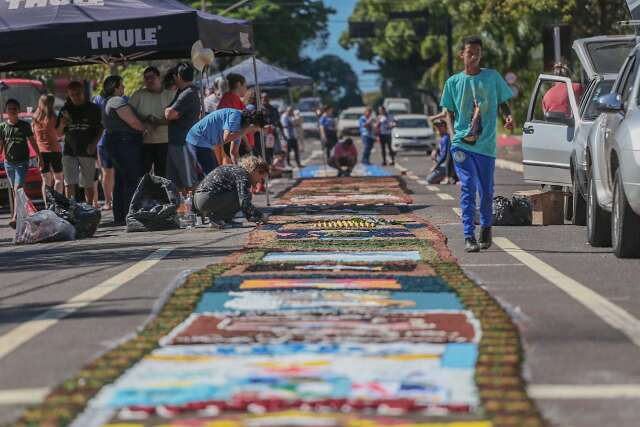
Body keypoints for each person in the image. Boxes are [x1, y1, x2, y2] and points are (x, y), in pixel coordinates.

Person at [440, 36, 514, 253]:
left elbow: (502, 102)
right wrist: (454, 135)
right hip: (461, 145)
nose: (473, 57)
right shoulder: (453, 82)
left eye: (477, 53)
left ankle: (486, 228)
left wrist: (507, 117)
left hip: (486, 145)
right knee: (468, 187)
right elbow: (449, 113)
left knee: (486, 190)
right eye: (469, 53)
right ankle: (468, 235)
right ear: (461, 55)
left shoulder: (492, 77)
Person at [101, 75, 148, 225]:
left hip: (116, 142)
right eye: (121, 86)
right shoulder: (116, 101)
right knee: (130, 179)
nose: (124, 88)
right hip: (124, 142)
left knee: (121, 180)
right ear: (115, 87)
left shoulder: (105, 101)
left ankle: (120, 216)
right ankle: (130, 214)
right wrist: (144, 129)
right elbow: (132, 120)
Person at [57, 81, 103, 204]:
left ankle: (88, 208)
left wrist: (94, 144)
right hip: (69, 150)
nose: (75, 97)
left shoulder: (93, 109)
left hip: (87, 150)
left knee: (88, 183)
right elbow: (58, 134)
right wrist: (62, 125)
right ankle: (71, 209)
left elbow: (101, 128)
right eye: (72, 95)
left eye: (78, 94)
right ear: (68, 95)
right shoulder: (65, 109)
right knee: (69, 182)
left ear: (83, 92)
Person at [193, 155, 268, 229]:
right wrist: (260, 215)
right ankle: (216, 219)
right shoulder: (243, 175)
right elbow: (244, 202)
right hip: (206, 199)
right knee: (244, 195)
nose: (259, 181)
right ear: (255, 171)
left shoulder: (237, 170)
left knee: (244, 194)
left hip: (199, 198)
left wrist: (251, 216)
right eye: (261, 178)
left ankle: (226, 220)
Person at [0, 99, 40, 228]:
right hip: (8, 163)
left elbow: (32, 141)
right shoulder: (2, 127)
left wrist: (39, 155)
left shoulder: (24, 125)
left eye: (14, 108)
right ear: (5, 111)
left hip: (22, 162)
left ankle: (15, 216)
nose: (12, 111)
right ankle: (25, 213)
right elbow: (1, 145)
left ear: (18, 110)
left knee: (18, 189)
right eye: (9, 108)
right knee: (16, 190)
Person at [130, 67, 174, 178]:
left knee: (163, 175)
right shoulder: (138, 95)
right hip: (144, 142)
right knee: (143, 176)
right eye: (146, 78)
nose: (149, 80)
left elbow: (176, 118)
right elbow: (129, 115)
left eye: (151, 77)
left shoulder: (170, 95)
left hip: (165, 141)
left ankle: (163, 195)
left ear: (158, 77)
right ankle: (145, 195)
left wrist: (157, 122)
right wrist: (145, 119)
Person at [187, 108, 266, 170]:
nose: (253, 133)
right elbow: (226, 138)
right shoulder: (236, 116)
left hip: (204, 143)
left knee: (214, 172)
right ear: (251, 125)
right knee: (212, 176)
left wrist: (240, 171)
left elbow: (234, 153)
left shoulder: (240, 128)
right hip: (197, 139)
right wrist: (245, 131)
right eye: (254, 130)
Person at [164, 62, 200, 192]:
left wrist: (168, 111)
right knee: (175, 182)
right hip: (176, 142)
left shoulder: (188, 93)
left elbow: (169, 114)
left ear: (178, 76)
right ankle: (182, 210)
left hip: (183, 143)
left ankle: (197, 209)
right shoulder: (182, 92)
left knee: (189, 181)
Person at [32, 94, 64, 197]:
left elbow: (33, 135)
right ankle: (58, 203)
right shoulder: (53, 117)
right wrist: (63, 125)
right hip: (55, 150)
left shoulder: (35, 118)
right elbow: (59, 135)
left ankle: (47, 205)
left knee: (46, 180)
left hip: (41, 152)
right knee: (58, 178)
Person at [217, 73, 250, 165]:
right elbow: (237, 125)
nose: (246, 89)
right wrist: (247, 144)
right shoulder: (232, 99)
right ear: (239, 84)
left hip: (235, 142)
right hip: (237, 144)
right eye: (245, 85)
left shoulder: (228, 98)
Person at [92, 94, 114, 210]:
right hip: (103, 141)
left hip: (104, 141)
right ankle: (108, 201)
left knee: (106, 173)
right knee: (106, 172)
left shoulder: (98, 99)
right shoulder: (99, 99)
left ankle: (109, 201)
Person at [427, 120, 451, 184]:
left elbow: (444, 156)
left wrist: (435, 166)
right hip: (442, 164)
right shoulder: (441, 138)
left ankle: (447, 176)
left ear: (445, 128)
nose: (438, 128)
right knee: (429, 178)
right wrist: (435, 150)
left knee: (429, 180)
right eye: (437, 126)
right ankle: (444, 176)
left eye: (441, 126)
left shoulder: (446, 138)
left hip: (446, 165)